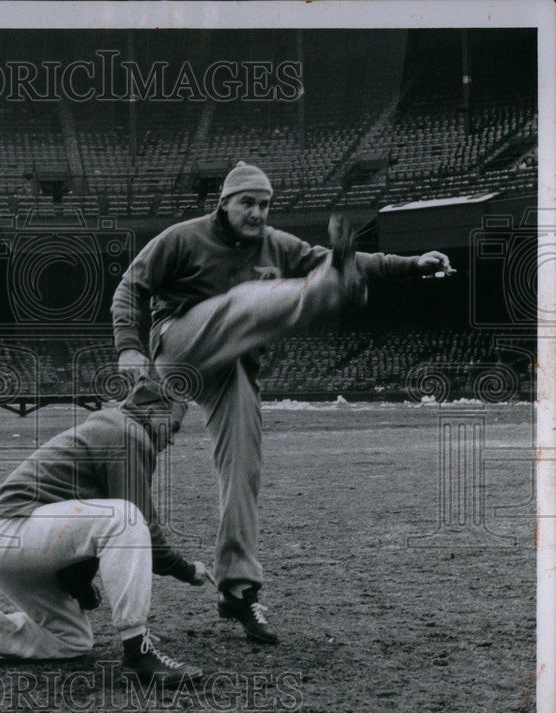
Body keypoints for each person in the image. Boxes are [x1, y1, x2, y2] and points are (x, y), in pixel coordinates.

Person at [111, 162, 455, 644]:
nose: (257, 212)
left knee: (243, 467)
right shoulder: (183, 238)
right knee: (244, 301)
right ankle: (79, 555)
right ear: (224, 203)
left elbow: (356, 261)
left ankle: (239, 589)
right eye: (247, 202)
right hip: (180, 347)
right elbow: (131, 286)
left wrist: (411, 264)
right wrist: (129, 346)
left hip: (231, 365)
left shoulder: (276, 243)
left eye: (265, 204)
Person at [0, 378, 212, 686]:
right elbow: (145, 533)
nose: (173, 439)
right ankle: (138, 652)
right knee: (126, 517)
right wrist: (189, 570)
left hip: (7, 540)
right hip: (11, 530)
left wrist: (80, 582)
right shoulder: (130, 435)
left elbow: (79, 516)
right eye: (173, 427)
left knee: (72, 639)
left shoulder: (115, 427)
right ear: (152, 412)